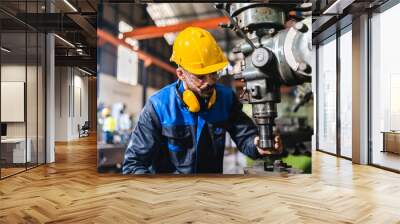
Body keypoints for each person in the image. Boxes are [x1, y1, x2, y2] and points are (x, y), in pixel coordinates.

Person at [123, 27, 281, 174]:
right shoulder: (158, 106)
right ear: (180, 74)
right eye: (200, 76)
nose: (211, 81)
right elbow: (133, 164)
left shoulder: (225, 99)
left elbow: (245, 137)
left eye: (213, 73)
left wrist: (258, 145)